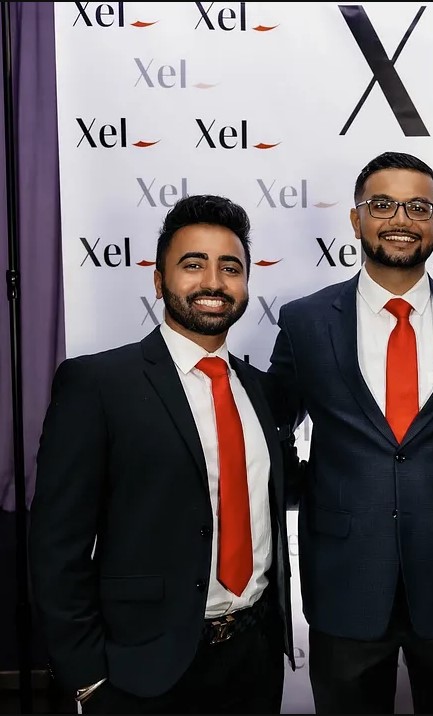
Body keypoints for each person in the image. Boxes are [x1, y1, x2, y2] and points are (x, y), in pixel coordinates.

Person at [29, 194, 295, 713]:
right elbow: (56, 547)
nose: (214, 282)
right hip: (142, 672)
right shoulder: (98, 384)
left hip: (254, 660)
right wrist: (87, 678)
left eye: (230, 268)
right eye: (193, 265)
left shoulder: (262, 390)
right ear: (158, 279)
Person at [268, 151, 433, 714]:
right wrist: (315, 487)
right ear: (355, 219)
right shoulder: (304, 320)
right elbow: (270, 431)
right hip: (345, 582)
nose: (402, 219)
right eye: (383, 204)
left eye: (419, 207)